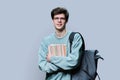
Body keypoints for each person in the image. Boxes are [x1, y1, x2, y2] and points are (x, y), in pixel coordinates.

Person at [38, 7, 84, 80]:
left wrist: (52, 59)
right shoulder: (46, 41)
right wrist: (65, 64)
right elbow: (42, 65)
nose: (59, 21)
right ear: (53, 20)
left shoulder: (75, 37)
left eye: (62, 18)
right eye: (56, 18)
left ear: (66, 20)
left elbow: (73, 62)